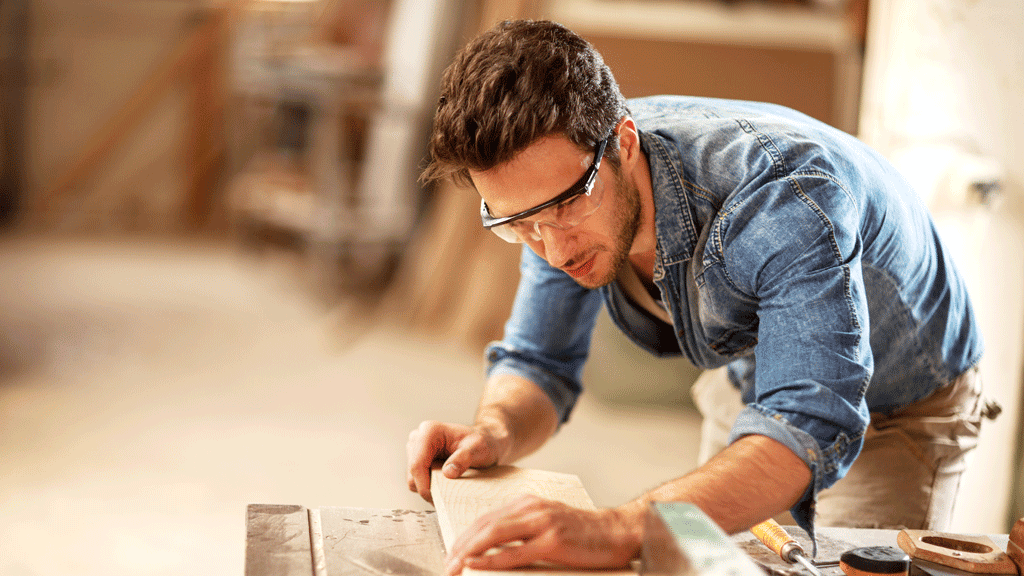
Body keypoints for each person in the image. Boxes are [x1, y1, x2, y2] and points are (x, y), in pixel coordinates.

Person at [405, 19, 998, 575]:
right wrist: (497, 429)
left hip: (895, 405)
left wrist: (613, 528)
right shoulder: (559, 187)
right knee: (703, 558)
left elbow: (804, 427)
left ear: (624, 142)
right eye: (518, 224)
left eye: (563, 207)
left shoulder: (783, 203)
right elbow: (540, 360)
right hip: (749, 369)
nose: (553, 251)